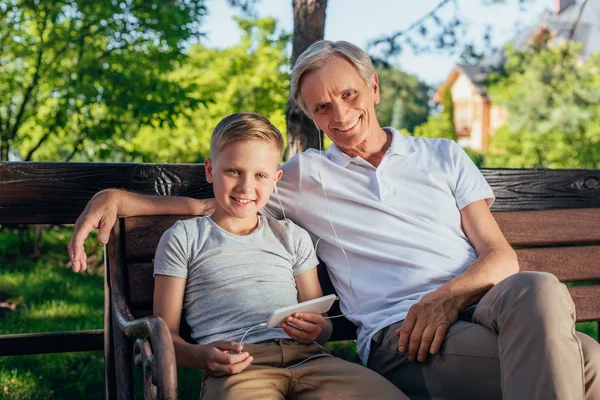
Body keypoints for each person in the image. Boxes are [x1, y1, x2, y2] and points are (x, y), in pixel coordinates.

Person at [70, 41, 600, 399]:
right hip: (405, 337)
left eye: (349, 95)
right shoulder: (302, 176)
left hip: (480, 304)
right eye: (322, 107)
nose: (341, 115)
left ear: (374, 87)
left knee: (540, 287)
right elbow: (226, 201)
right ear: (308, 114)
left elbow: (500, 257)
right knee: (585, 362)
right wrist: (119, 197)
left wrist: (446, 298)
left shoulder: (443, 154)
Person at [141, 112, 404, 399]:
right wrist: (201, 356)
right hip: (240, 367)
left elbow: (321, 322)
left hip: (311, 360)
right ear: (209, 169)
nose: (245, 187)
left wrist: (317, 327)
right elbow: (164, 336)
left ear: (275, 179)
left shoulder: (291, 236)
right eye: (232, 171)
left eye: (260, 175)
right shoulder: (184, 238)